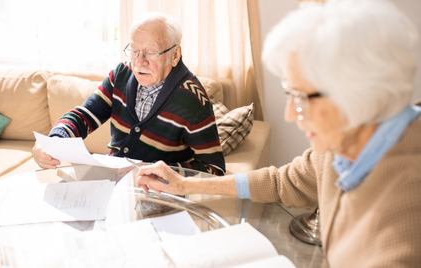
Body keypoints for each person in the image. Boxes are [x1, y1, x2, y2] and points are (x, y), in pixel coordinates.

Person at [136, 0, 421, 266]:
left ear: (358, 94)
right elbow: (281, 182)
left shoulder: (403, 226)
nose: (288, 114)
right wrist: (188, 185)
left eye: (300, 97)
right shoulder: (342, 146)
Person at [32, 12, 225, 176]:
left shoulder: (193, 100)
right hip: (112, 180)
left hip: (159, 194)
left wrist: (163, 173)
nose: (139, 62)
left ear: (175, 55)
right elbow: (84, 116)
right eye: (134, 51)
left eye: (150, 52)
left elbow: (214, 168)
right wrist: (54, 142)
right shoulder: (121, 75)